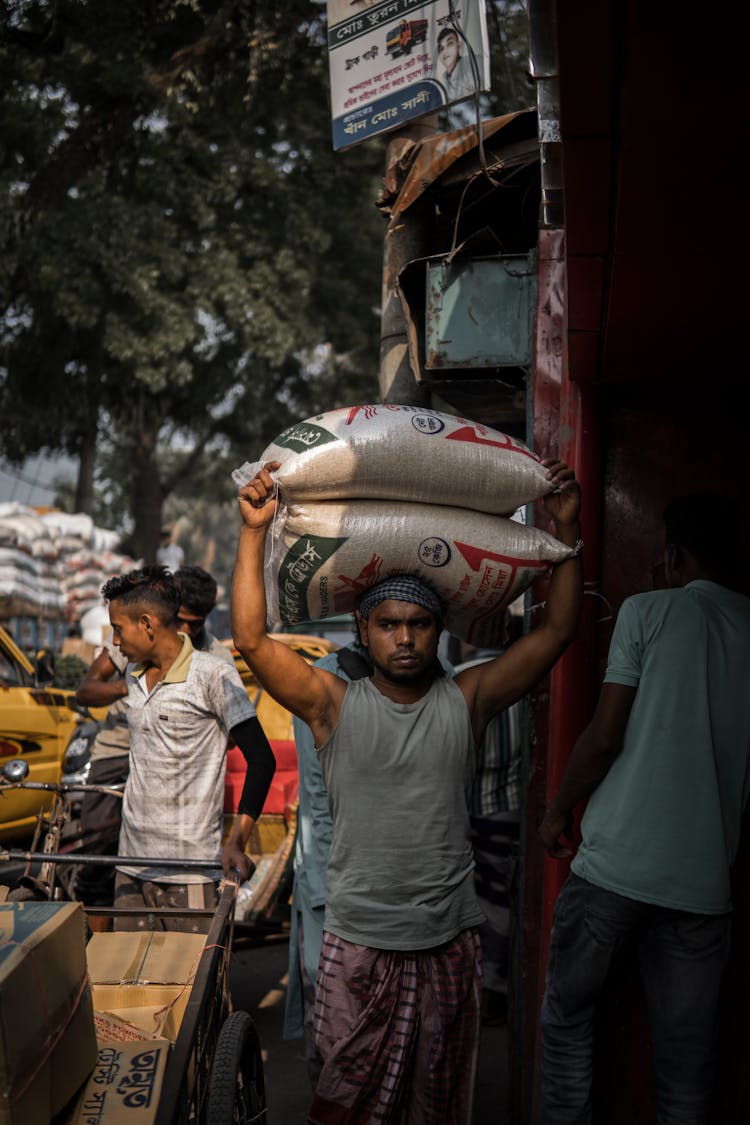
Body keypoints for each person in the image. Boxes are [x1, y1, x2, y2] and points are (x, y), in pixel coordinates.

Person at [231, 457, 582, 1122]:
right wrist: (254, 532)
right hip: (358, 941)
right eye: (388, 624)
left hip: (446, 944)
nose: (403, 637)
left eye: (418, 624)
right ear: (363, 630)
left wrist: (566, 532)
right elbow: (249, 636)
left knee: (436, 1105)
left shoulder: (468, 697)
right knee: (345, 1102)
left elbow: (558, 631)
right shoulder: (331, 702)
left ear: (438, 630)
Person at [538, 493, 750, 1125]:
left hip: (614, 868)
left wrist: (558, 812)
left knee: (568, 1019)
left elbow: (604, 736)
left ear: (674, 554)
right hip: (703, 883)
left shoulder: (647, 611)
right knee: (688, 1064)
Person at [100, 565, 276, 933]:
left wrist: (237, 840)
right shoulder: (132, 675)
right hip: (131, 866)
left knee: (191, 987)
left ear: (147, 624)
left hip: (191, 872)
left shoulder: (212, 674)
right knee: (128, 985)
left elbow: (262, 759)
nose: (115, 642)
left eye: (118, 629)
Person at [73, 563, 234, 921]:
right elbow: (85, 690)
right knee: (96, 856)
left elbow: (236, 733)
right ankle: (95, 946)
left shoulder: (215, 659)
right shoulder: (130, 641)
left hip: (177, 764)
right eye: (182, 620)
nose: (186, 630)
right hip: (120, 747)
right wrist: (134, 687)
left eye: (196, 623)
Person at [436, 26, 475, 102]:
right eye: (441, 48)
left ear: (459, 45)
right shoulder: (442, 81)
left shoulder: (473, 63)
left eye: (450, 44)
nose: (445, 51)